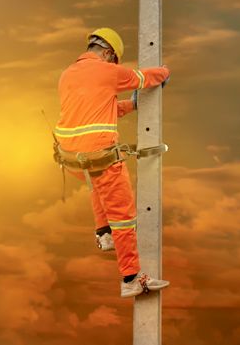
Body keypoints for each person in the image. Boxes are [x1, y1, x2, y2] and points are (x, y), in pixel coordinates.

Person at [55, 27, 170, 297]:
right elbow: (144, 78)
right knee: (124, 217)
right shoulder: (108, 71)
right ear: (108, 53)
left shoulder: (67, 74)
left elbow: (99, 108)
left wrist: (131, 106)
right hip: (100, 157)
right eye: (114, 59)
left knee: (94, 183)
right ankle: (131, 278)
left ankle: (102, 234)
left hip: (71, 158)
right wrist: (164, 72)